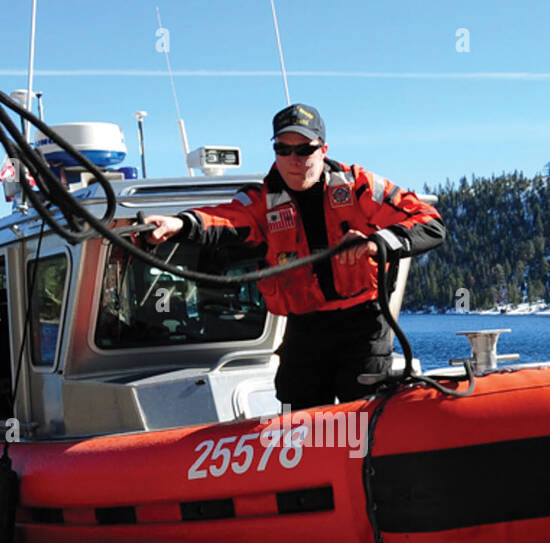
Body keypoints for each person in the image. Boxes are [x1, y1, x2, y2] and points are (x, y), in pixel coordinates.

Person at [143, 103, 444, 410]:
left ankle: (366, 457)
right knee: (297, 408)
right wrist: (178, 224)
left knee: (364, 414)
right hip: (305, 327)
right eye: (283, 150)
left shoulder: (358, 186)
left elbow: (430, 223)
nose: (294, 160)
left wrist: (375, 243)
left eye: (304, 149)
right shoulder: (260, 200)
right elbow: (227, 219)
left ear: (323, 149)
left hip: (362, 324)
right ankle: (314, 456)